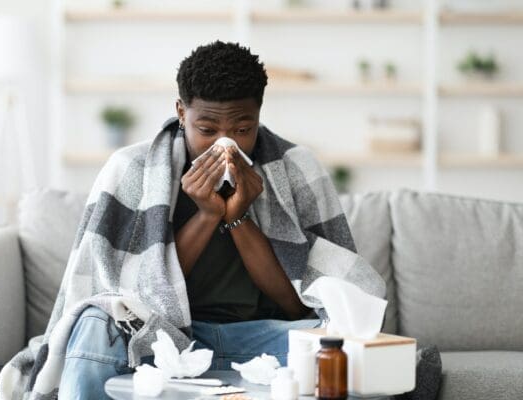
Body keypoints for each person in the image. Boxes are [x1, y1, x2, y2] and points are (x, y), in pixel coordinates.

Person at [57, 41, 383, 398]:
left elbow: (300, 305)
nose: (225, 146)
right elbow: (130, 300)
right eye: (208, 130)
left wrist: (240, 218)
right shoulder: (131, 169)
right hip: (162, 337)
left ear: (259, 115)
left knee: (345, 349)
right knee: (92, 325)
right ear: (182, 112)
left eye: (242, 130)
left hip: (259, 337)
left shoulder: (295, 169)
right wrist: (206, 216)